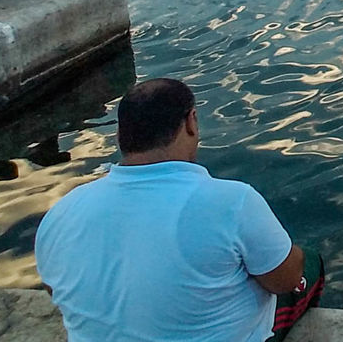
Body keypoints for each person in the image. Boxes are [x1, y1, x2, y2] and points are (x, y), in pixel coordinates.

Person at [35, 78, 324, 342]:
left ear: (120, 135)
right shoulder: (233, 201)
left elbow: (55, 291)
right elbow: (284, 280)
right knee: (306, 262)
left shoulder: (61, 214)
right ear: (191, 122)